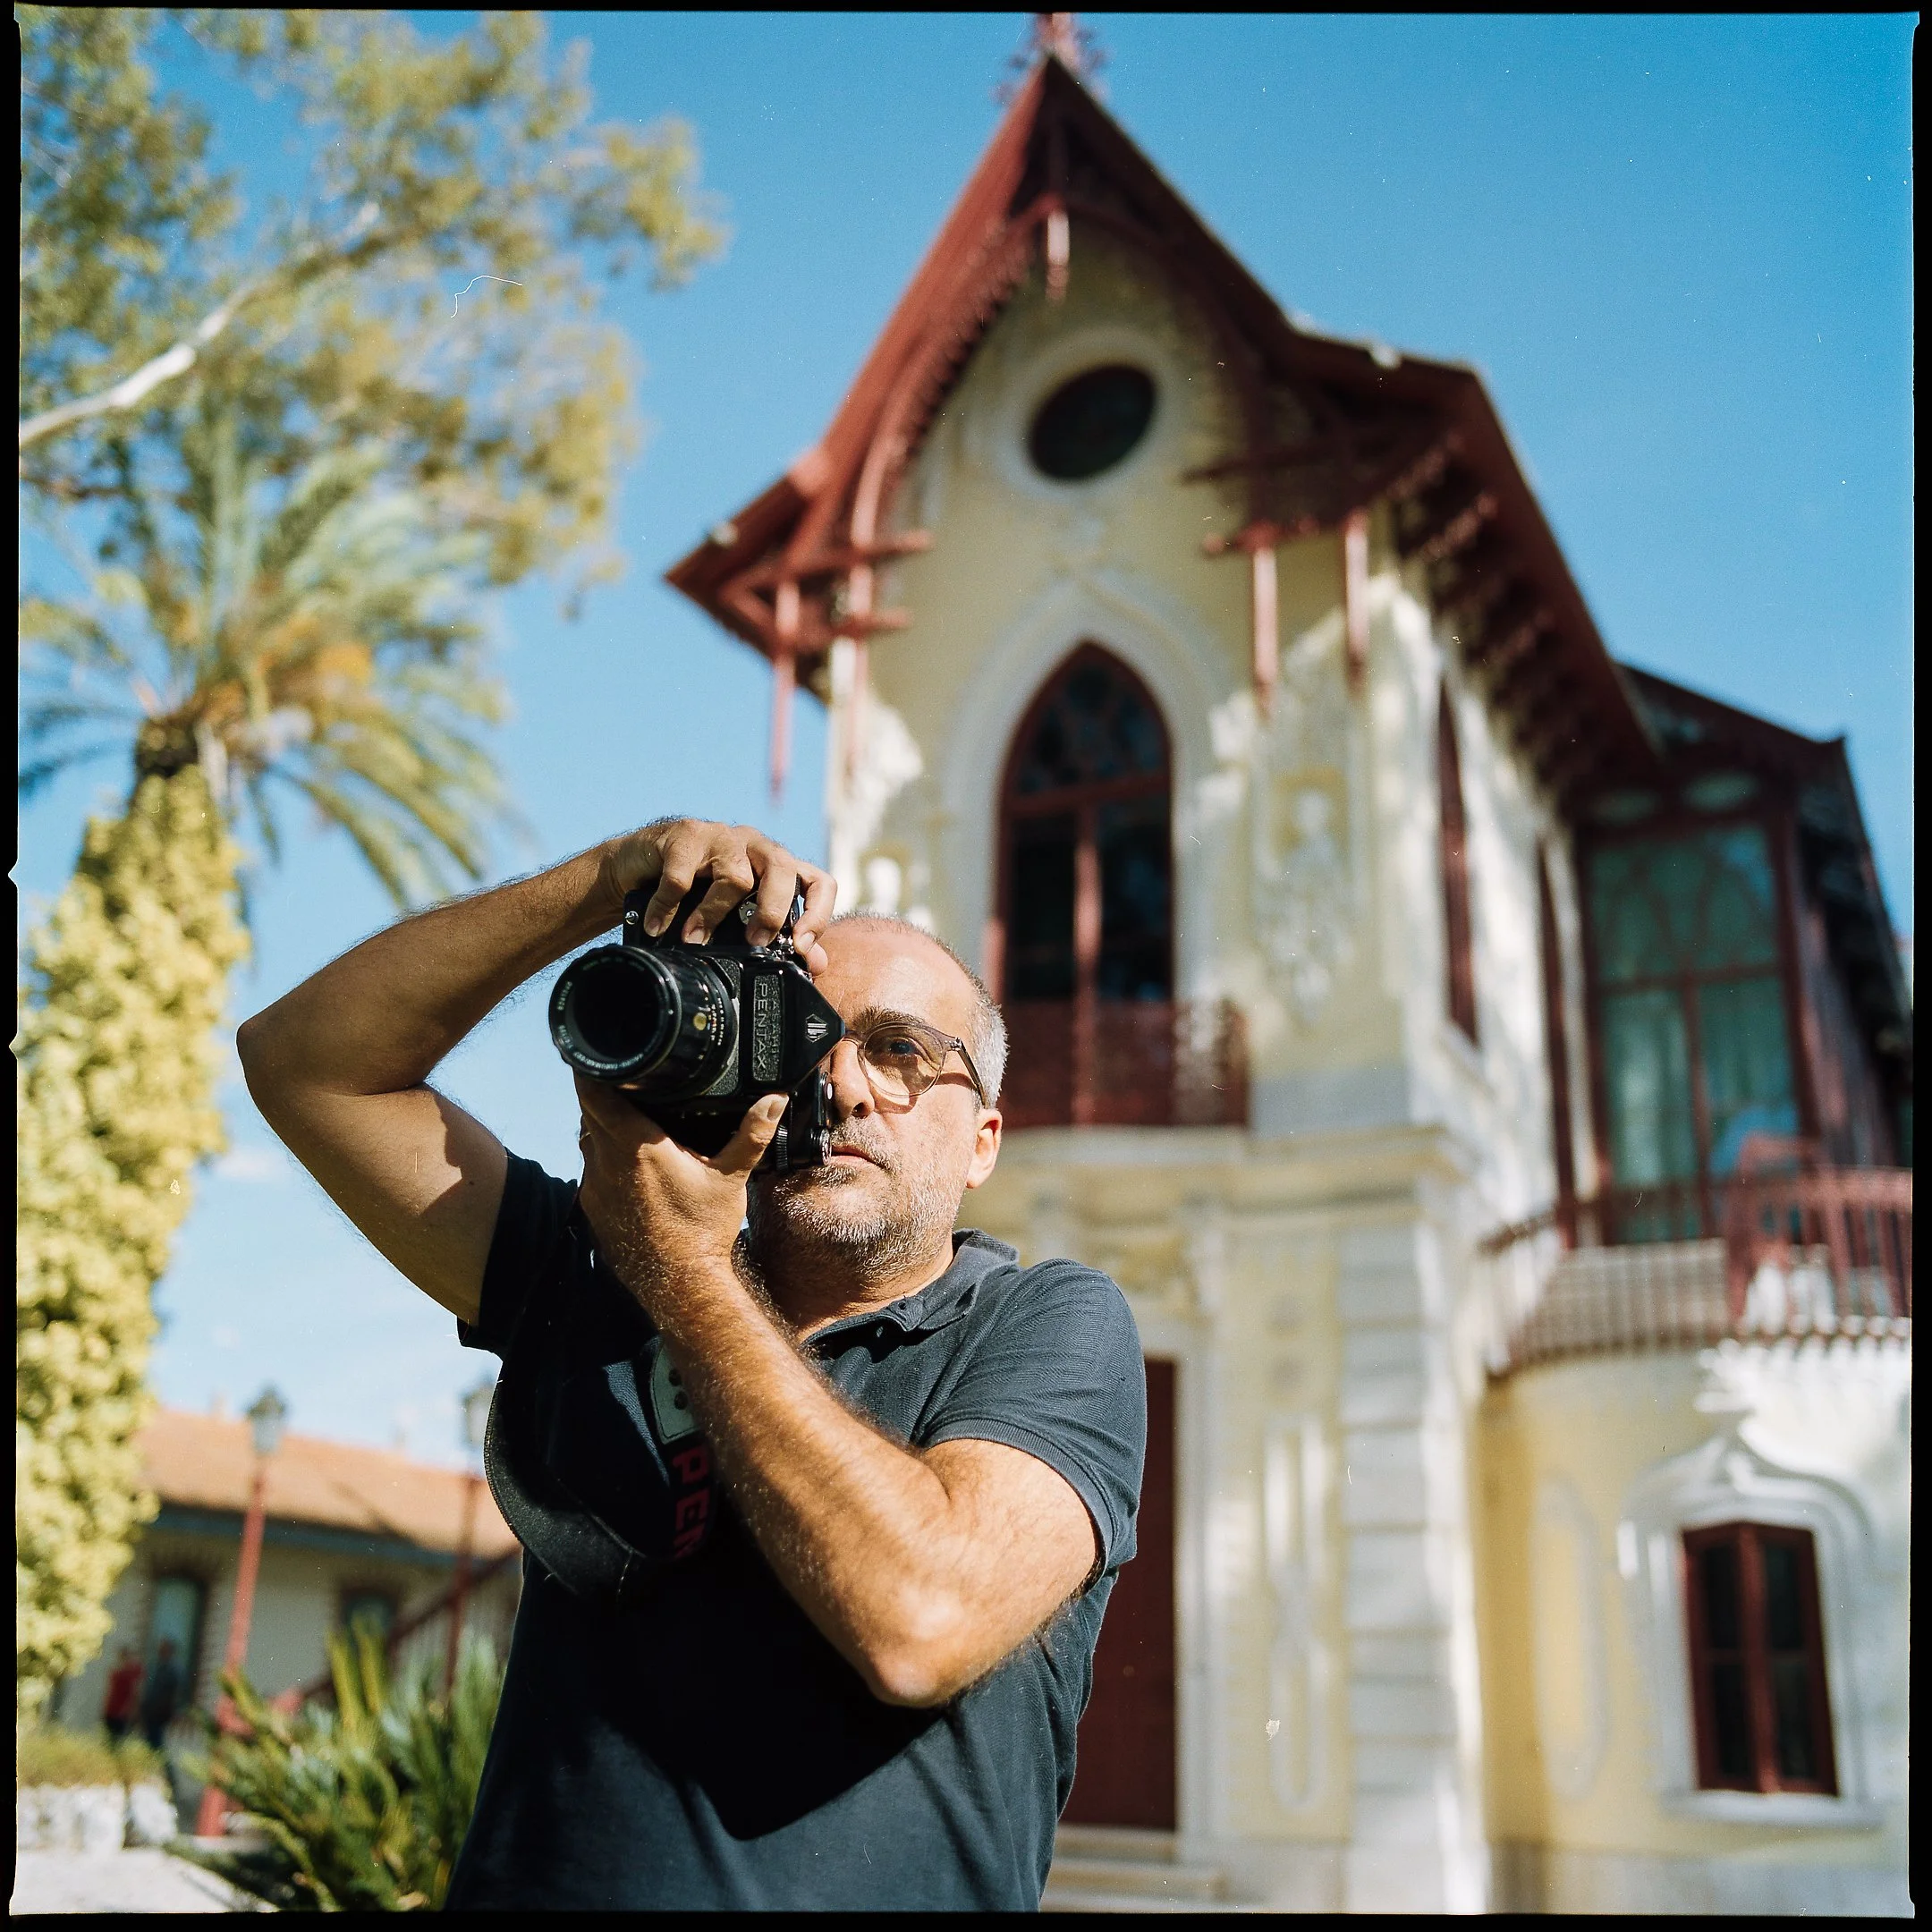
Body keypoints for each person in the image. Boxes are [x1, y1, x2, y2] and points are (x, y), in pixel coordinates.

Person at [237, 818, 1147, 1911]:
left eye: (901, 1053)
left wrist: (686, 1267)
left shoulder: (1047, 1324)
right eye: (809, 1038)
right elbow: (306, 1066)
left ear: (984, 1139)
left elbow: (921, 1622)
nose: (844, 1088)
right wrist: (601, 880)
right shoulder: (599, 1271)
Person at [138, 1638, 182, 1750]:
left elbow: (175, 1693)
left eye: (163, 1649)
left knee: (156, 1741)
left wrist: (174, 1712)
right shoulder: (156, 1666)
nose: (160, 1651)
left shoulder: (173, 1669)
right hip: (150, 1710)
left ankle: (166, 1767)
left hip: (160, 1712)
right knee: (150, 1740)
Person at [102, 1647, 143, 1742]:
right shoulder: (116, 1672)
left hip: (122, 1713)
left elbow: (134, 1695)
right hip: (111, 1710)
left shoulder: (131, 1673)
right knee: (110, 1738)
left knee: (118, 1739)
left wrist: (129, 1711)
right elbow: (110, 1691)